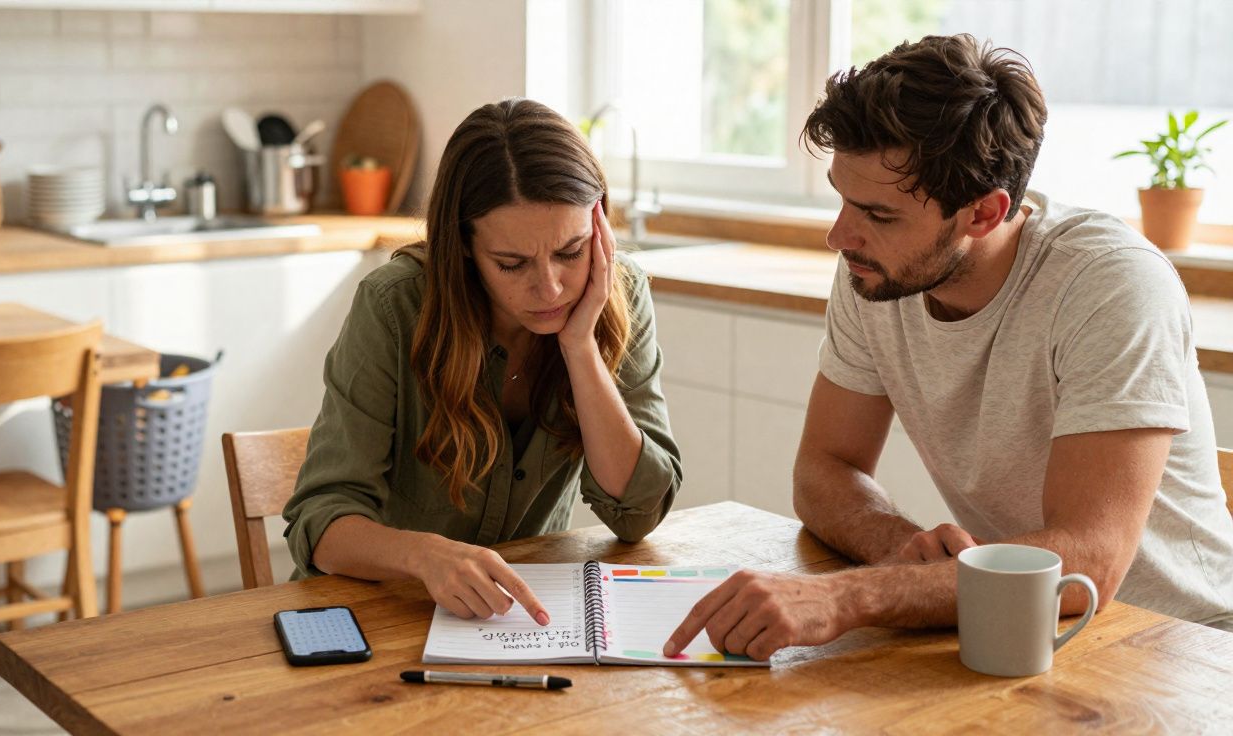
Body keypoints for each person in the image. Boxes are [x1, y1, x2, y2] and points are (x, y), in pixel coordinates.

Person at [665, 33, 1233, 661]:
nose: (839, 236)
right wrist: (897, 546)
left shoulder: (1110, 286)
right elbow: (823, 469)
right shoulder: (875, 268)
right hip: (1018, 626)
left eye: (879, 215)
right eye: (842, 199)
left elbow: (1089, 561)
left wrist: (849, 598)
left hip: (1181, 645)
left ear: (985, 214)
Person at [285, 98, 682, 626]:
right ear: (464, 248)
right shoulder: (395, 306)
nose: (550, 287)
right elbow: (318, 520)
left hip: (516, 622)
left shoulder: (618, 291)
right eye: (512, 263)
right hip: (377, 613)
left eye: (571, 251)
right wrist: (423, 555)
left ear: (600, 228)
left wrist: (581, 348)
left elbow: (639, 514)